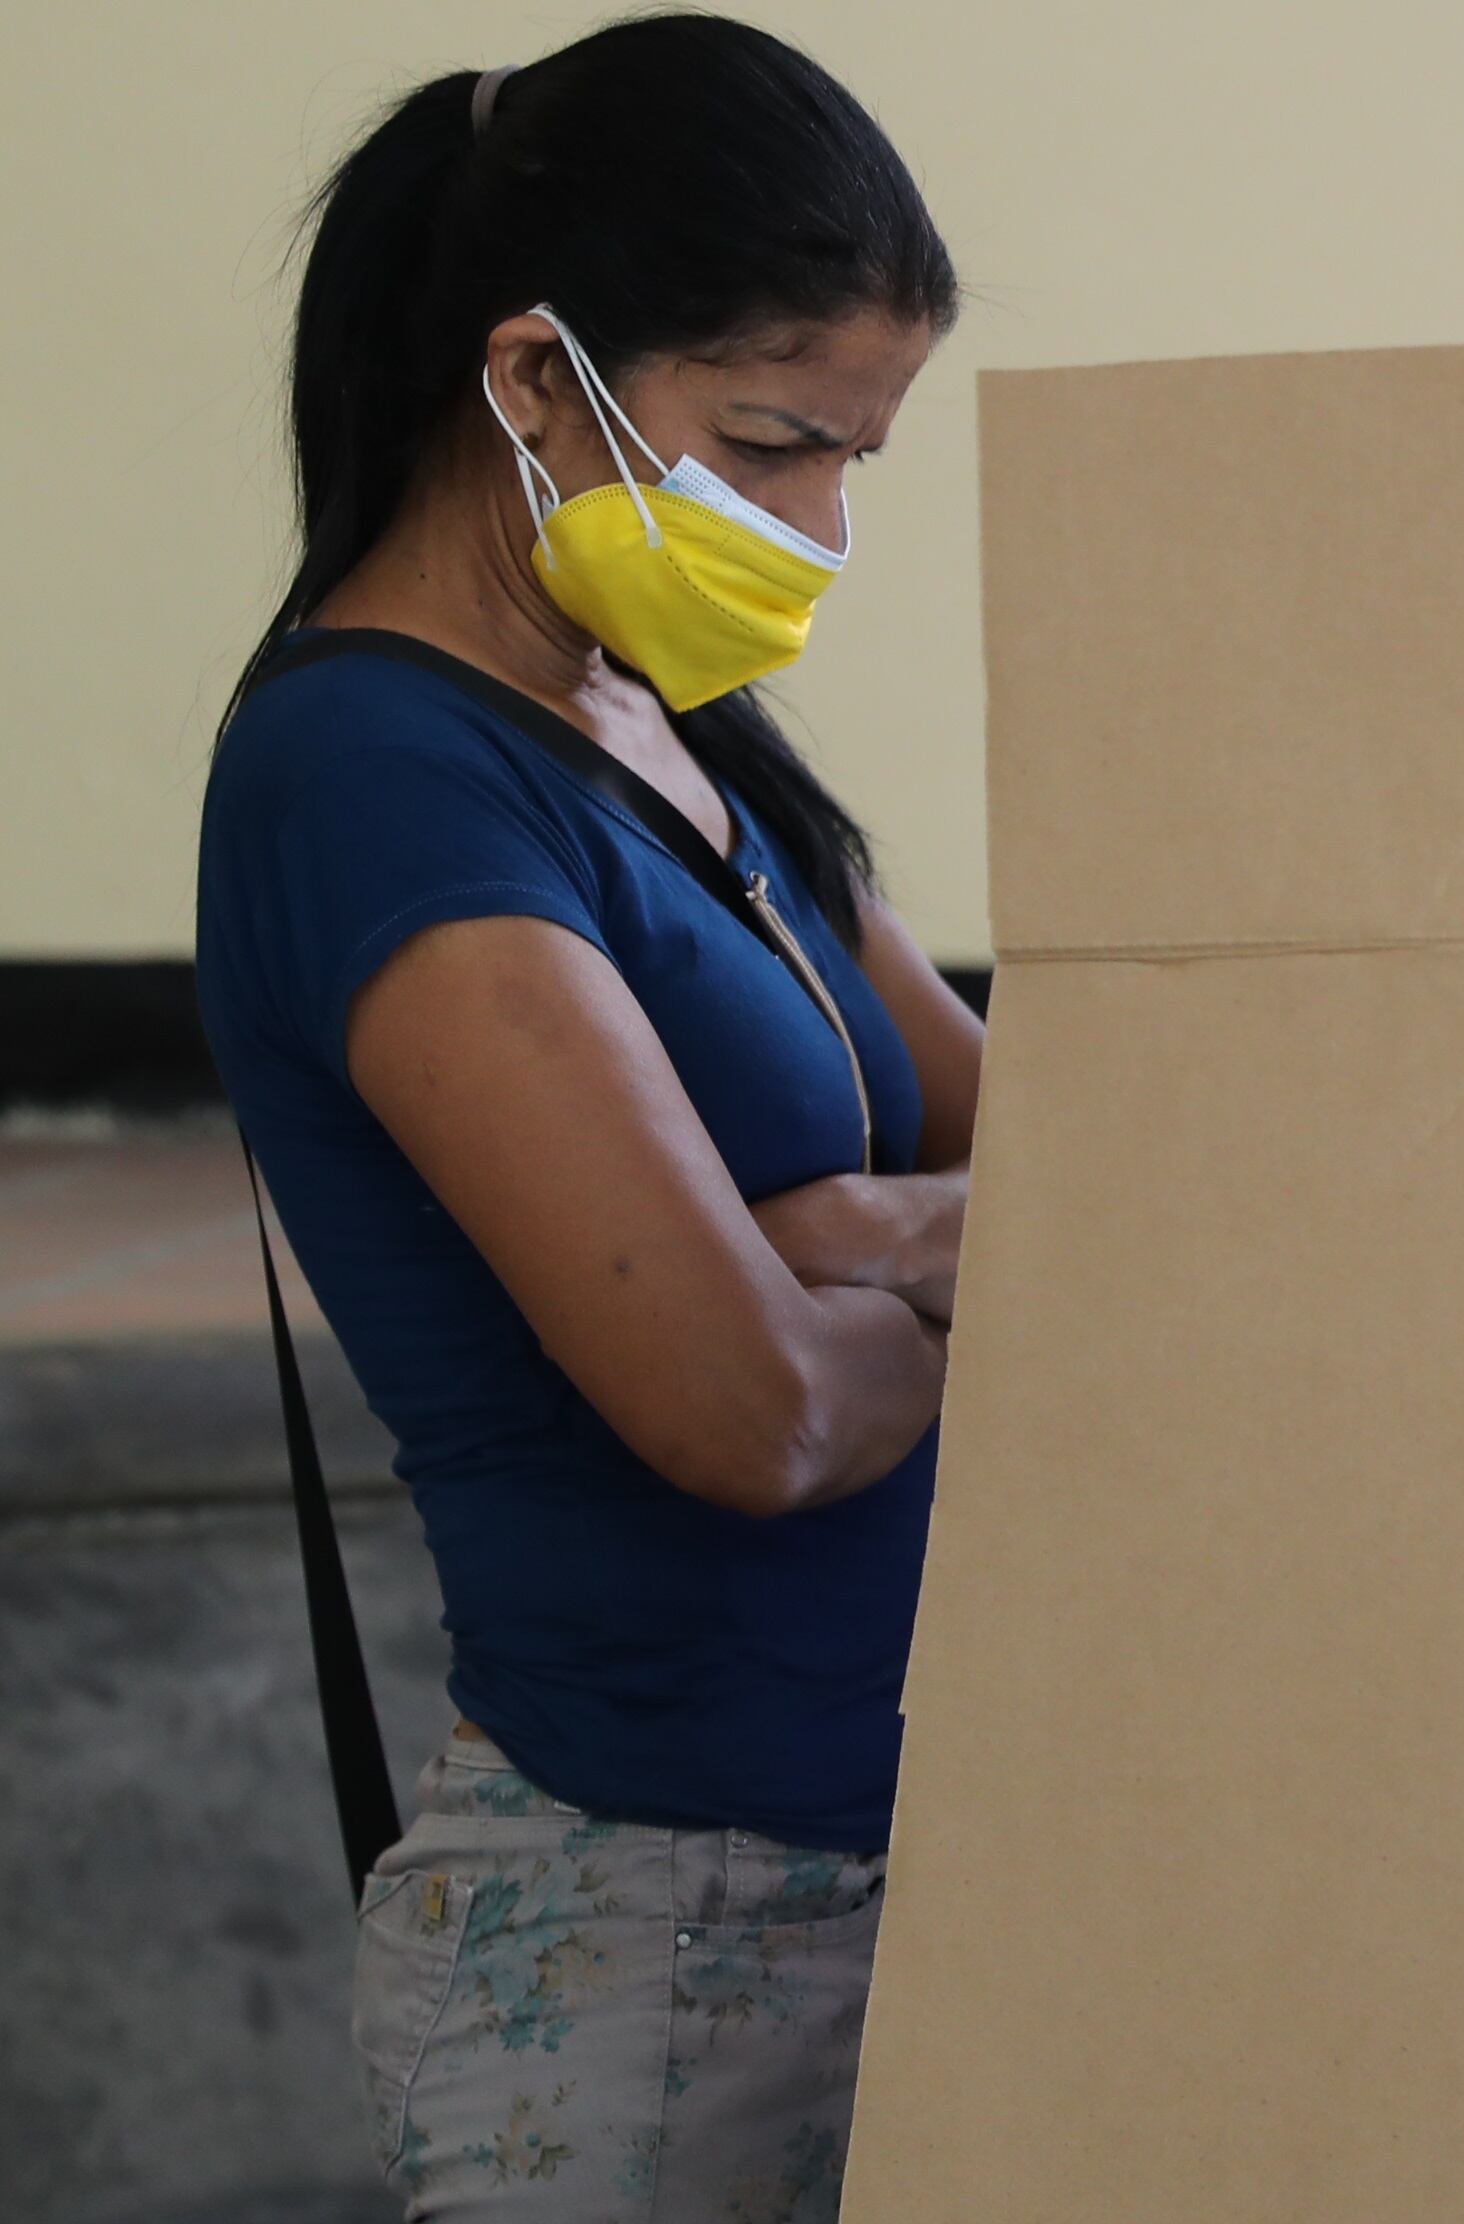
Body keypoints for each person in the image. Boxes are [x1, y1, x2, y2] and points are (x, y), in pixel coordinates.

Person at [194, 17, 972, 2213]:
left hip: (917, 1864)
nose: (815, 525)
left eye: (854, 458)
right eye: (770, 439)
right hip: (669, 1931)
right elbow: (746, 1409)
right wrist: (935, 1245)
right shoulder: (372, 777)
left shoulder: (667, 719)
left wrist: (869, 1228)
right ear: (533, 381)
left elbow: (1071, 1135)